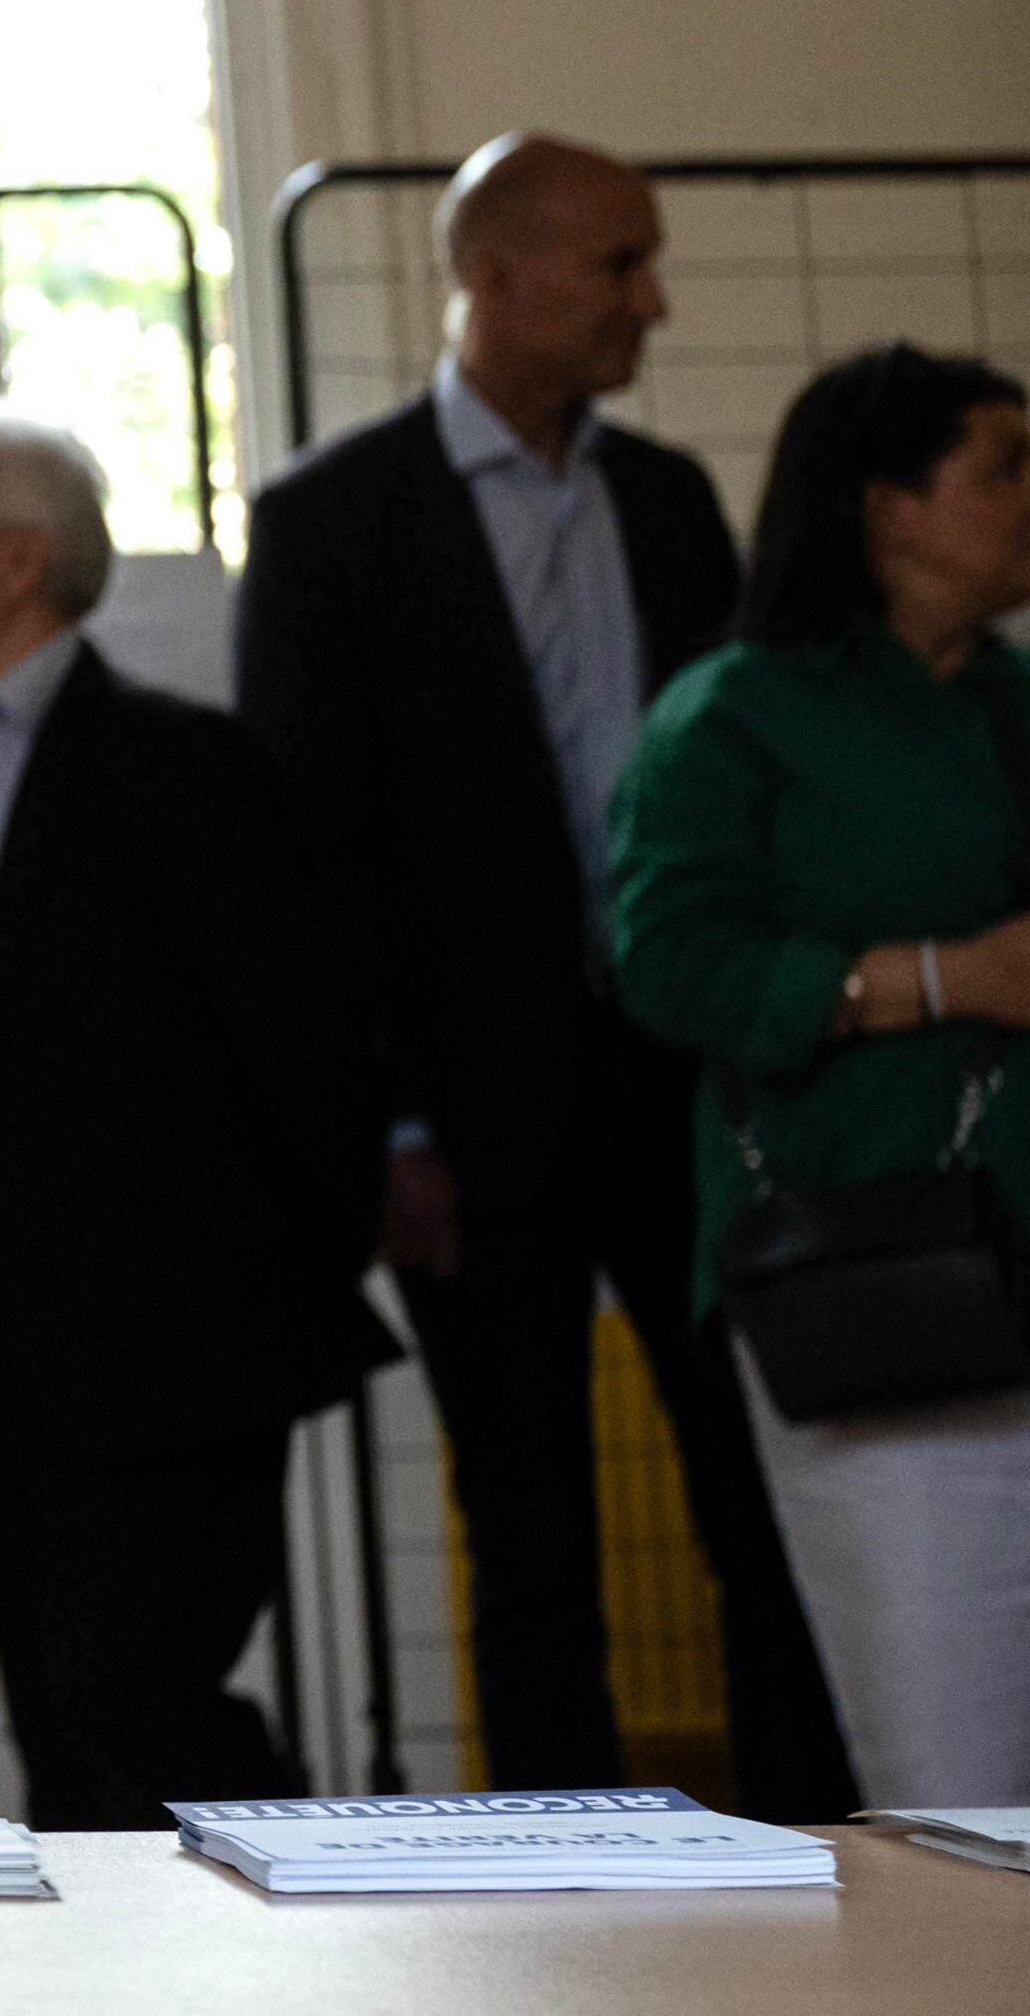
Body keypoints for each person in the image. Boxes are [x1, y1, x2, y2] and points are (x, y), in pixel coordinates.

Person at [234, 133, 852, 1815]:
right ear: (492, 277)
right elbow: (308, 866)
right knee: (530, 1536)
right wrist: (390, 1125)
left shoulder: (668, 505)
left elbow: (737, 810)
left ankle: (819, 1867)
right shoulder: (330, 524)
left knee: (761, 1509)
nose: (653, 299)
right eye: (620, 263)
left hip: (689, 1099)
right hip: (466, 1128)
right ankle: (571, 1905)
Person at [0, 395, 390, 1830]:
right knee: (62, 1724)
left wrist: (264, 1294)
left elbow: (312, 1059)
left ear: (22, 558)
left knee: (141, 1712)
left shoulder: (175, 764)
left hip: (160, 1340)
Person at [608, 345, 1030, 1807]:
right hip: (887, 1292)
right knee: (960, 1774)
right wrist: (936, 977)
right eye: (1004, 465)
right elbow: (667, 963)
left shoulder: (1015, 700)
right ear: (891, 507)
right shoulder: (735, 714)